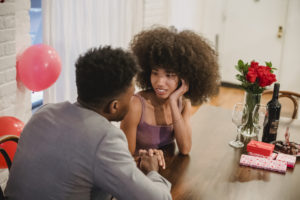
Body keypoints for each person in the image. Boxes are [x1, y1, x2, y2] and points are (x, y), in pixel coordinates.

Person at [5, 46, 172, 200]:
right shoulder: (105, 138)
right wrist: (152, 170)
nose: (133, 99)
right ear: (114, 106)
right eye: (131, 96)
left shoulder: (44, 112)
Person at [121, 26, 220, 155]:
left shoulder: (183, 104)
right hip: (140, 171)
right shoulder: (135, 105)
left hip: (167, 170)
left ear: (183, 78)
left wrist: (173, 101)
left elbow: (185, 149)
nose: (160, 83)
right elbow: (126, 159)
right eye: (155, 73)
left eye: (169, 75)